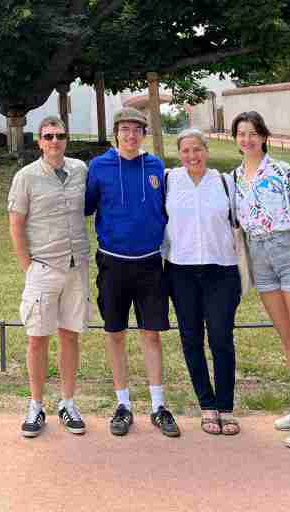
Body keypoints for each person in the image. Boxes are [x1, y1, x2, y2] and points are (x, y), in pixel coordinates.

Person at [231, 110, 290, 449]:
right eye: (241, 133)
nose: (247, 139)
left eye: (253, 133)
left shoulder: (281, 170)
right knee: (288, 339)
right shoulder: (235, 177)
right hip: (260, 258)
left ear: (263, 136)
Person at [85, 107, 180, 438]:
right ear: (116, 133)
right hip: (112, 262)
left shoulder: (156, 167)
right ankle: (123, 404)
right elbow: (85, 207)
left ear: (144, 134)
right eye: (125, 129)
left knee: (151, 334)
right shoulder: (98, 167)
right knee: (116, 333)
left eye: (137, 130)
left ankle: (158, 406)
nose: (130, 135)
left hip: (150, 263)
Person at [7, 115, 91, 438]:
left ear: (66, 139)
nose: (55, 141)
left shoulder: (80, 170)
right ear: (39, 142)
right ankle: (36, 405)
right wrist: (27, 266)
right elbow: (16, 224)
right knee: (37, 337)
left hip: (76, 266)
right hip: (43, 266)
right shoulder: (26, 177)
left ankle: (68, 403)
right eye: (48, 136)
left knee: (70, 335)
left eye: (60, 135)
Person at [162, 128, 242, 436]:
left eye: (197, 149)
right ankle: (207, 405)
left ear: (206, 151)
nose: (192, 156)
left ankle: (226, 407)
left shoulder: (224, 182)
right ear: (179, 153)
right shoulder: (169, 181)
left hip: (221, 269)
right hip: (180, 270)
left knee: (221, 338)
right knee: (191, 338)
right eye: (185, 150)